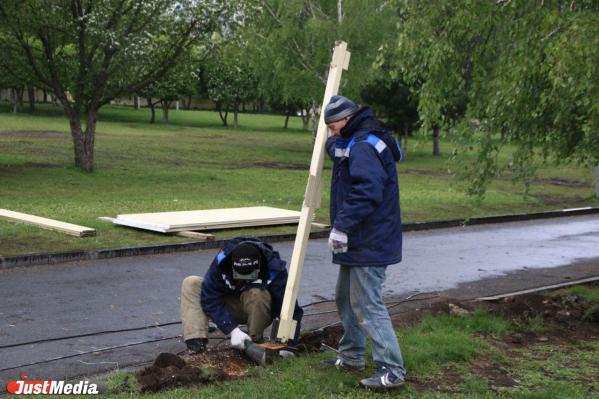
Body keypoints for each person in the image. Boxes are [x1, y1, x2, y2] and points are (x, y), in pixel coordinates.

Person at [322, 95, 406, 390]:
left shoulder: (364, 146)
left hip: (370, 238)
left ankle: (392, 370)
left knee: (367, 303)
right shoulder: (354, 139)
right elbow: (339, 151)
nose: (332, 133)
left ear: (346, 120)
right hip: (361, 238)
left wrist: (342, 226)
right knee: (345, 297)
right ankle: (352, 356)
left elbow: (368, 190)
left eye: (333, 127)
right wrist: (328, 143)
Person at [180, 237, 303, 353]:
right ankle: (196, 345)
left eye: (248, 278)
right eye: (239, 277)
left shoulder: (274, 269)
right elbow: (210, 298)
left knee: (257, 293)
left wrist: (288, 345)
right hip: (229, 305)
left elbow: (291, 310)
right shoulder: (222, 261)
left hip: (258, 307)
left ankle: (254, 342)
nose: (242, 281)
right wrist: (232, 330)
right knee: (191, 282)